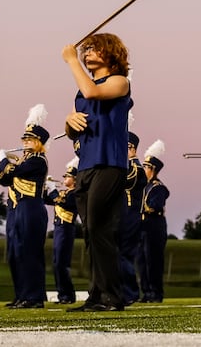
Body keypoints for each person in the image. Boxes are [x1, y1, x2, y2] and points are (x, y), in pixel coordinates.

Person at [63, 32, 133, 313]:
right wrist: (69, 121)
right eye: (86, 49)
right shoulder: (82, 88)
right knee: (91, 232)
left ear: (110, 54)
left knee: (99, 228)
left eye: (94, 48)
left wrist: (71, 60)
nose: (87, 52)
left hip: (109, 164)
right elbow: (72, 130)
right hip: (87, 165)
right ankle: (96, 295)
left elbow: (93, 92)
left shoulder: (119, 82)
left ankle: (112, 296)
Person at [0, 105, 51, 309]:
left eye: (29, 140)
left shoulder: (37, 161)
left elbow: (12, 172)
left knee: (29, 252)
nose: (24, 143)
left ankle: (33, 296)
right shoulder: (24, 162)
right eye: (24, 140)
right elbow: (4, 178)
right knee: (15, 253)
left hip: (31, 209)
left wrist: (2, 160)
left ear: (38, 143)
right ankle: (21, 294)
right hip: (16, 210)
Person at [44, 161, 80, 306]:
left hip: (66, 229)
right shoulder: (64, 193)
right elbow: (47, 200)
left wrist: (53, 190)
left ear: (75, 179)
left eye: (68, 176)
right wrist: (46, 188)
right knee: (57, 263)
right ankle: (62, 294)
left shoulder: (76, 193)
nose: (64, 178)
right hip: (59, 229)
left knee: (61, 263)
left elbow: (62, 202)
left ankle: (67, 294)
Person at [139, 140, 170, 303]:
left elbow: (154, 205)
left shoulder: (158, 187)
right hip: (142, 226)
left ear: (153, 169)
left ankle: (156, 292)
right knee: (142, 261)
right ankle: (146, 292)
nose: (144, 169)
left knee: (153, 261)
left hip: (154, 226)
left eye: (146, 167)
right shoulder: (143, 186)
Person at [119, 131, 146, 307]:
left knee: (124, 254)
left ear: (131, 148)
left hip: (131, 215)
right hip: (121, 214)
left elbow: (126, 181)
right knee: (118, 254)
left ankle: (130, 292)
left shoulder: (136, 168)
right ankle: (122, 291)